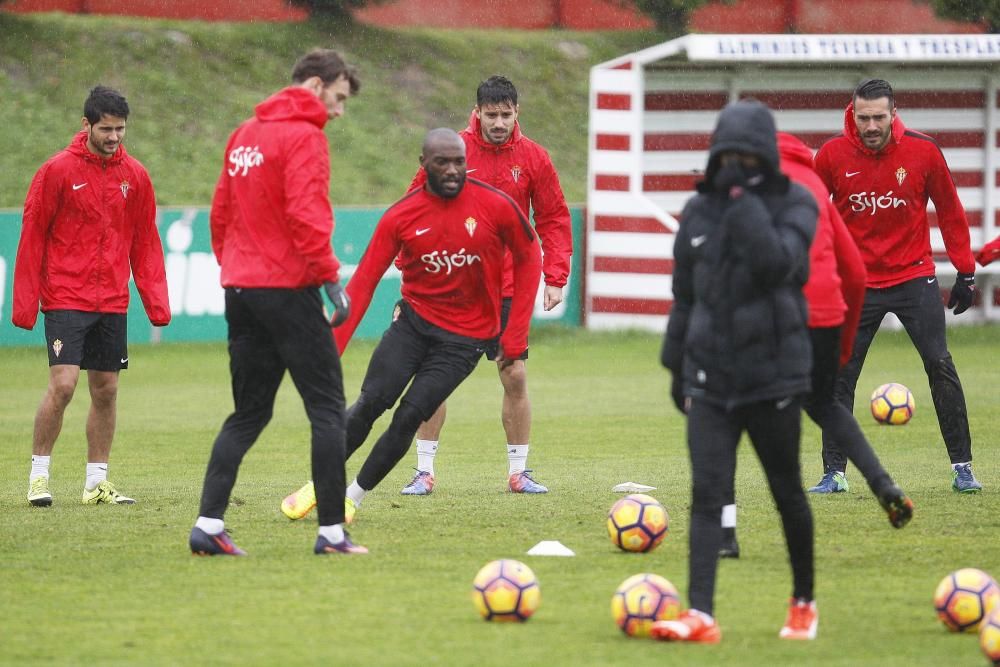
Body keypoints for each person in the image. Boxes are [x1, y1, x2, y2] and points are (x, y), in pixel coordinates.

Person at [279, 128, 542, 524]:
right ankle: (320, 484)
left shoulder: (495, 205)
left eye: (459, 161)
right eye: (443, 162)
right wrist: (330, 349)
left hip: (464, 340)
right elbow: (364, 283)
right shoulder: (401, 216)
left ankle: (352, 496)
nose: (453, 170)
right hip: (413, 326)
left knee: (408, 416)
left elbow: (529, 255)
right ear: (424, 165)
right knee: (369, 404)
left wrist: (515, 331)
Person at [188, 49, 366, 557]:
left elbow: (220, 213)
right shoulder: (305, 137)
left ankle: (208, 524)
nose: (338, 112)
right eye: (336, 99)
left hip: (241, 290)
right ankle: (332, 533)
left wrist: (235, 269)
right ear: (313, 86)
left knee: (247, 414)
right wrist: (331, 280)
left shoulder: (244, 134)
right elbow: (305, 213)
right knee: (329, 410)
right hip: (288, 291)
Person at [655, 99, 818, 643]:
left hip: (774, 377)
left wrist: (744, 201)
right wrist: (675, 365)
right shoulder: (697, 213)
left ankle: (802, 602)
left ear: (766, 157)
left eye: (748, 157)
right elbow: (684, 296)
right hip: (709, 377)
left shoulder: (796, 202)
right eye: (728, 156)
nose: (736, 165)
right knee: (707, 494)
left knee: (785, 491)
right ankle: (700, 613)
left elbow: (778, 265)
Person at [717, 132, 914, 560]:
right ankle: (883, 484)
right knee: (825, 403)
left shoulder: (745, 185)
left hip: (773, 312)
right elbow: (855, 273)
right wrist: (840, 344)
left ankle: (726, 534)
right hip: (825, 312)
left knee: (729, 415)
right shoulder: (815, 186)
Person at [399, 75, 572, 496]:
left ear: (518, 113)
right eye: (491, 115)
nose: (498, 123)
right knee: (434, 377)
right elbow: (411, 210)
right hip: (454, 283)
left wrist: (555, 276)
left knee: (513, 373)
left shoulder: (534, 158)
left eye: (506, 115)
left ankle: (519, 472)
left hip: (508, 287)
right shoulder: (450, 153)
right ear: (477, 113)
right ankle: (424, 472)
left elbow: (552, 218)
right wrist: (411, 276)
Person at [813, 79, 981, 494]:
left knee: (940, 365)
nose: (870, 125)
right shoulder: (832, 154)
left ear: (893, 113)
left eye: (878, 117)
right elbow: (811, 213)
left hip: (914, 276)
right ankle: (834, 474)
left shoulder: (923, 151)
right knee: (838, 375)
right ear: (852, 113)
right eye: (863, 117)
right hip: (856, 283)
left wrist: (965, 270)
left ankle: (963, 469)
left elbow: (950, 210)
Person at [13, 86, 170, 508]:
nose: (114, 136)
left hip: (111, 301)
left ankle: (95, 484)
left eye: (120, 129)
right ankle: (38, 477)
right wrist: (26, 304)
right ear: (86, 126)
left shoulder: (134, 175)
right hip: (65, 295)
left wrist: (156, 300)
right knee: (63, 385)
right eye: (106, 128)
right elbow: (33, 235)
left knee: (106, 390)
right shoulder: (57, 171)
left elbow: (145, 241)